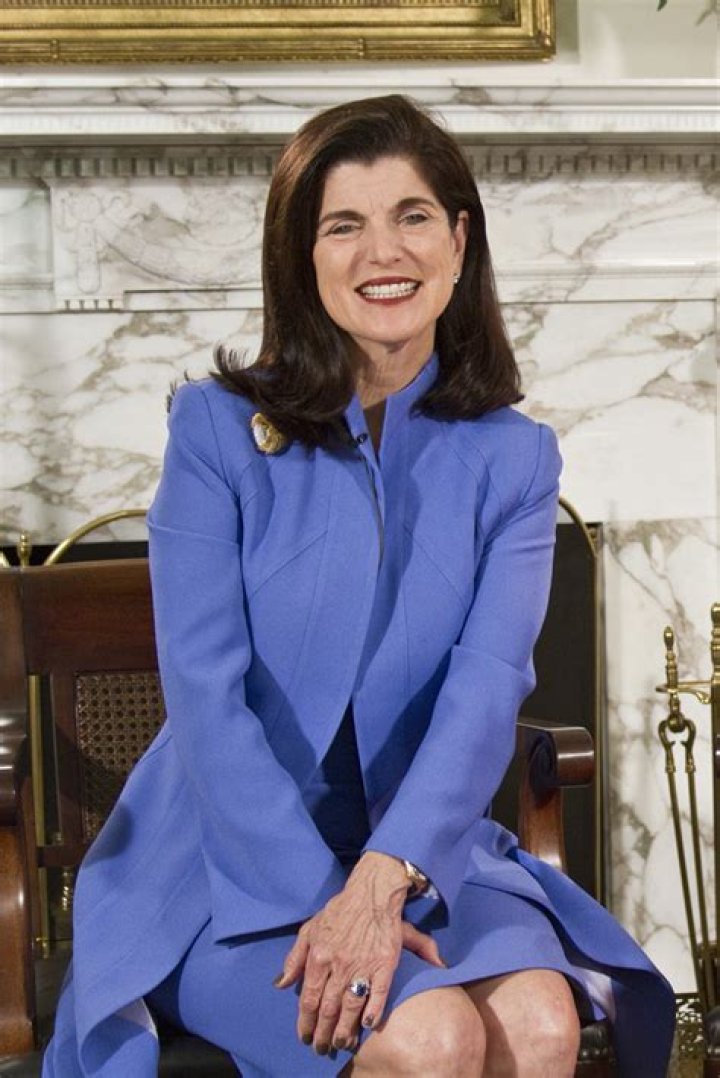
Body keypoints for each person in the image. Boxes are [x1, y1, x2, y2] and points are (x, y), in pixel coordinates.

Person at [44, 94, 674, 1077]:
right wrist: (328, 906)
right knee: (430, 1037)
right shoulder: (213, 431)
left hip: (425, 855)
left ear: (458, 242)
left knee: (542, 1024)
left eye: (412, 216)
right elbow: (206, 702)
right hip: (224, 872)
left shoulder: (516, 459)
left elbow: (486, 692)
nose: (385, 251)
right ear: (302, 256)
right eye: (344, 224)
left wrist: (383, 881)